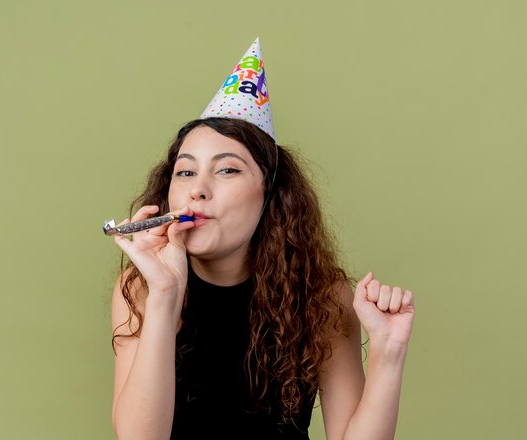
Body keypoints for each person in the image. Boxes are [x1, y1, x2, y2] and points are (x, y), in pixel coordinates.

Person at [109, 39, 415, 440]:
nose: (197, 190)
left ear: (270, 194)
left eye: (228, 170)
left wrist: (388, 354)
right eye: (185, 173)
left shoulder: (323, 295)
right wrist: (166, 292)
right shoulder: (141, 288)